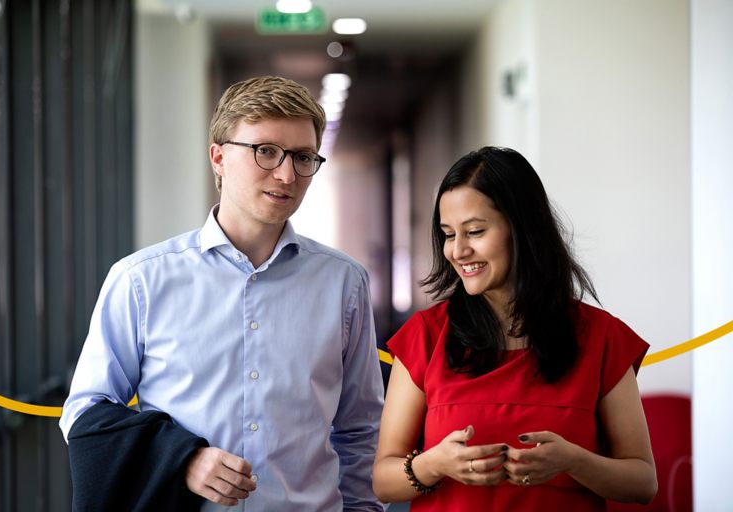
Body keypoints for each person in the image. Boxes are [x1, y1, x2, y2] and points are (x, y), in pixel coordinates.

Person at [60, 76, 385, 511]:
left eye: (303, 157)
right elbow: (85, 412)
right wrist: (182, 459)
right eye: (265, 151)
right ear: (218, 157)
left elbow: (361, 428)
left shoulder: (345, 282)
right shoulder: (141, 280)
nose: (286, 174)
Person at [372, 147, 657, 510]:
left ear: (522, 228)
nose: (458, 251)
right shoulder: (425, 336)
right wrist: (434, 464)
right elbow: (383, 481)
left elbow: (642, 482)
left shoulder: (602, 337)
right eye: (447, 234)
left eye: (474, 231)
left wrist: (574, 461)